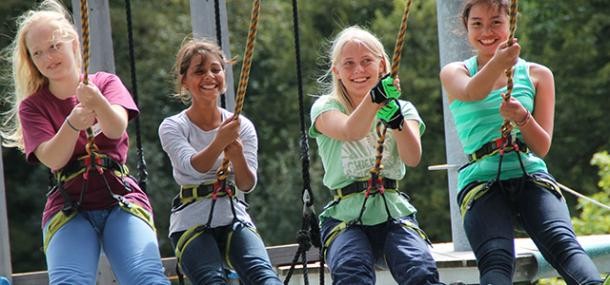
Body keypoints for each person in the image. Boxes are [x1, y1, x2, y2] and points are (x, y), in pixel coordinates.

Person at [0, 1, 169, 284]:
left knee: (146, 278)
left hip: (119, 197)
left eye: (54, 46)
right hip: (69, 205)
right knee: (70, 282)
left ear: (74, 45)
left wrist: (97, 102)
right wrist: (73, 123)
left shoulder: (104, 82)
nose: (47, 57)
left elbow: (116, 128)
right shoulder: (33, 106)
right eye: (38, 52)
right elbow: (53, 158)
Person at [439, 0, 604, 284]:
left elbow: (541, 147)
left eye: (496, 23)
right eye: (477, 23)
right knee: (496, 257)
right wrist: (498, 64)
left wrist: (522, 117)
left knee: (564, 245)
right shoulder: (456, 72)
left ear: (510, 25)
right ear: (466, 28)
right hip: (482, 180)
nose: (486, 31)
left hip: (529, 173)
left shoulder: (538, 75)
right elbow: (472, 92)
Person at [309, 25, 443, 285]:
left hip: (392, 211)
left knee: (419, 270)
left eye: (366, 61)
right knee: (351, 271)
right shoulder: (326, 108)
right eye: (348, 63)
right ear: (335, 71)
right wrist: (375, 98)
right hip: (345, 216)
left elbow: (412, 156)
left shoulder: (403, 108)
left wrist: (397, 121)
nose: (358, 70)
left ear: (382, 65)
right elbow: (351, 130)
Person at [158, 38, 282, 285]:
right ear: (184, 81)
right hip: (191, 221)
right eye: (199, 71)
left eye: (216, 69)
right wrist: (219, 142)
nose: (210, 76)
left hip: (233, 216)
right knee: (211, 280)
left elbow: (246, 184)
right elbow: (193, 166)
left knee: (264, 276)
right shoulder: (172, 126)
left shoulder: (241, 125)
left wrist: (235, 155)